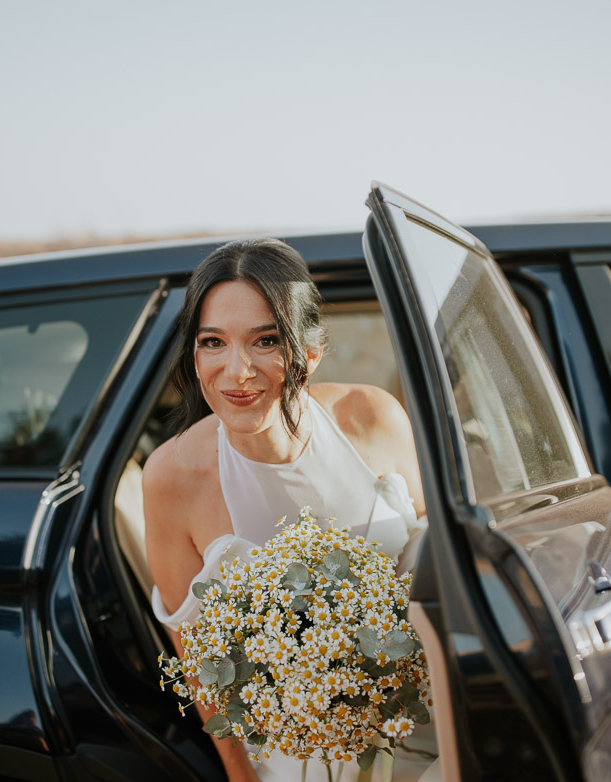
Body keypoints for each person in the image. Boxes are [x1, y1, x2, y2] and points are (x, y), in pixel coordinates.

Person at [143, 238, 436, 782]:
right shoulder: (171, 477)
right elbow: (197, 658)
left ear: (312, 351)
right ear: (194, 353)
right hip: (295, 759)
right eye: (214, 342)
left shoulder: (374, 418)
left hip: (422, 731)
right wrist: (242, 777)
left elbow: (440, 581)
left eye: (266, 341)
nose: (237, 372)